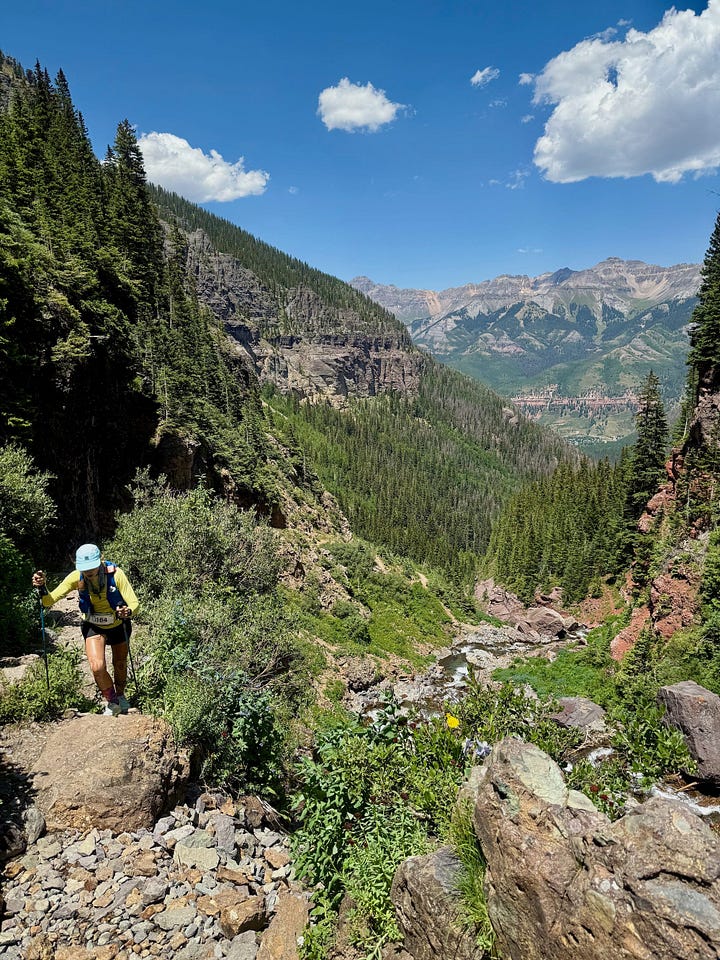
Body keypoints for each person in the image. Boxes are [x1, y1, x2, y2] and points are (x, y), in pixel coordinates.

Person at [32, 544, 139, 716]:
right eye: (85, 568)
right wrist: (42, 587)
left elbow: (134, 603)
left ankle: (121, 695)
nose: (88, 571)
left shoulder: (116, 574)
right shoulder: (76, 577)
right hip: (93, 624)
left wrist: (128, 611)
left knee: (120, 663)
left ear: (100, 562)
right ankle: (112, 701)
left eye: (92, 567)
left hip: (119, 623)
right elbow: (48, 601)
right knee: (97, 667)